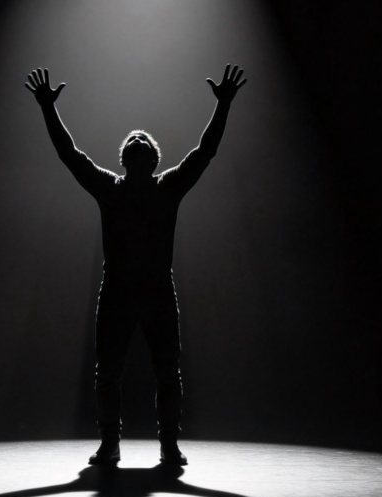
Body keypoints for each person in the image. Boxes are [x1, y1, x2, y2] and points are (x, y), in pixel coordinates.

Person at [24, 64, 247, 467]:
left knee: (163, 372)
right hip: (123, 291)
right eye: (134, 139)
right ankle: (113, 444)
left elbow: (205, 152)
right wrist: (47, 109)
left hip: (152, 290)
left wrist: (224, 105)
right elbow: (70, 155)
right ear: (127, 158)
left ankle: (167, 446)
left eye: (143, 140)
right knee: (113, 372)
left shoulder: (160, 187)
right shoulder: (116, 188)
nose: (139, 138)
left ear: (150, 158)